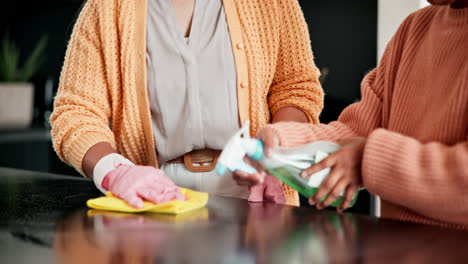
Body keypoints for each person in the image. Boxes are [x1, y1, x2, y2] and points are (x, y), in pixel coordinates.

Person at [50, 0, 324, 207]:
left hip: (257, 199)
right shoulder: (107, 8)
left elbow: (296, 88)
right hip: (153, 205)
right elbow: (75, 112)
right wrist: (115, 171)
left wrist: (276, 154)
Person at [235, 0, 468, 228]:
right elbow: (357, 129)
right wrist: (281, 143)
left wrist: (369, 158)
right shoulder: (415, 28)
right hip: (396, 248)